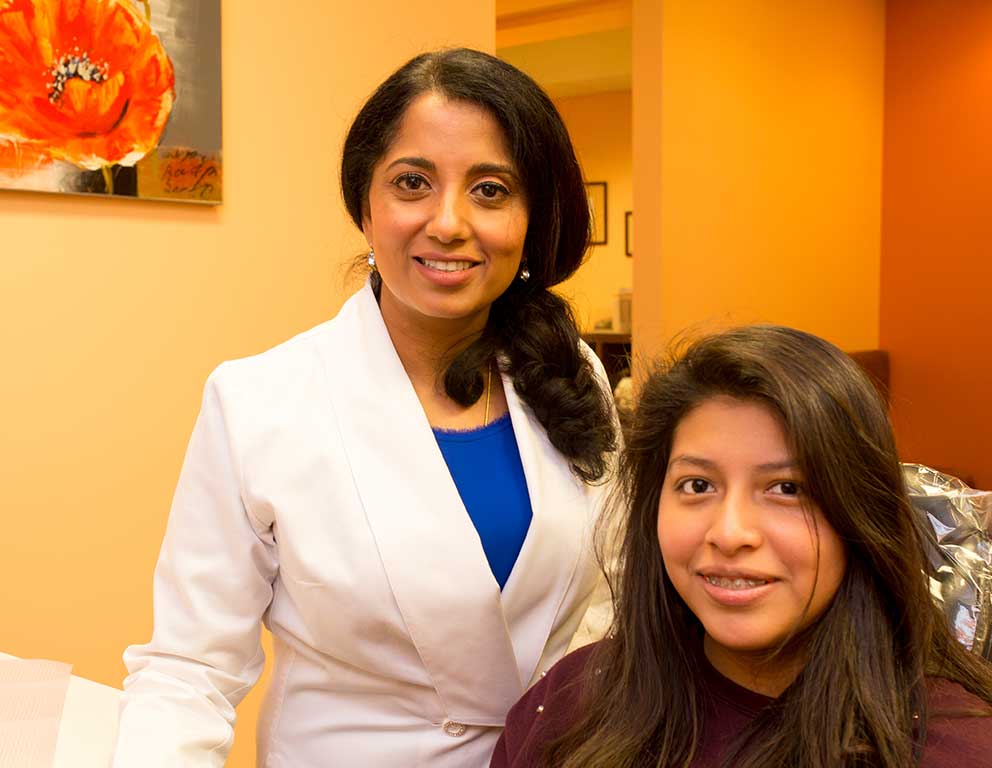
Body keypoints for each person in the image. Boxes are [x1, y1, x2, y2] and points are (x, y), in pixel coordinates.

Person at [113, 48, 617, 768]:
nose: (448, 222)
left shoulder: (575, 375)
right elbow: (190, 670)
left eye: (491, 190)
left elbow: (612, 605)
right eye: (413, 183)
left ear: (532, 217)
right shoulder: (260, 402)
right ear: (365, 204)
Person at [492, 326, 992, 768]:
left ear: (858, 516)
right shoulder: (571, 704)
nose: (729, 532)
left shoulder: (961, 751)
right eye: (697, 485)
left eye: (787, 489)